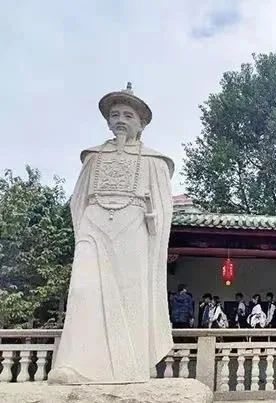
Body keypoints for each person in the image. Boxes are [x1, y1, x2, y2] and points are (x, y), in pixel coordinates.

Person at [48, 83, 175, 384]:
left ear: (141, 124)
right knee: (83, 290)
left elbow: (163, 210)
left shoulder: (154, 162)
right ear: (107, 121)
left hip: (133, 228)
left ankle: (132, 364)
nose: (121, 120)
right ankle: (75, 363)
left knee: (132, 295)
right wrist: (85, 227)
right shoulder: (93, 157)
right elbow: (78, 200)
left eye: (128, 115)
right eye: (115, 114)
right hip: (94, 224)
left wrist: (150, 220)